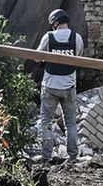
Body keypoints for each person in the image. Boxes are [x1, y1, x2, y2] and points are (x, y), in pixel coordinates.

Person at [36, 9, 85, 162]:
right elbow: (79, 57)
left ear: (55, 23)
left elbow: (37, 58)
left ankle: (46, 157)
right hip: (69, 87)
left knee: (46, 123)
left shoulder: (48, 37)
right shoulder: (76, 38)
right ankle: (73, 156)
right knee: (70, 123)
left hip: (50, 86)